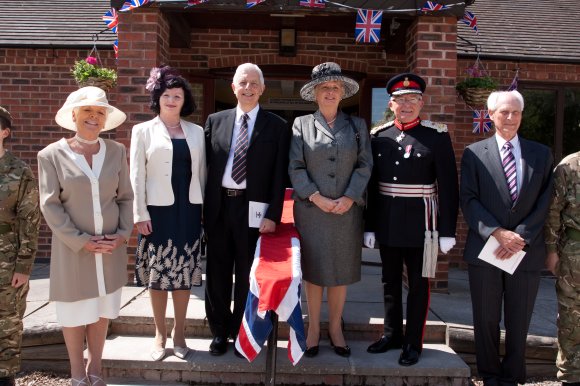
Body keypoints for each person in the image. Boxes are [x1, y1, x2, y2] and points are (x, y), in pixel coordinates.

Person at [38, 87, 133, 386]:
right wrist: (81, 240)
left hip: (109, 248)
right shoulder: (50, 155)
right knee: (74, 312)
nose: (94, 117)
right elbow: (49, 205)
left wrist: (121, 235)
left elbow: (126, 198)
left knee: (102, 310)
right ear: (74, 115)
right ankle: (77, 373)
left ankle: (96, 369)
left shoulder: (117, 152)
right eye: (88, 111)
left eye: (100, 112)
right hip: (73, 249)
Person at [364, 73, 458, 366]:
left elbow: (449, 186)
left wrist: (447, 230)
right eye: (400, 100)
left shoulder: (437, 136)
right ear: (391, 104)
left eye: (412, 100)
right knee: (388, 280)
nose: (406, 105)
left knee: (419, 284)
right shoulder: (379, 136)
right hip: (388, 220)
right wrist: (369, 226)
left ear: (421, 103)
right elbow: (371, 185)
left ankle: (412, 342)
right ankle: (391, 334)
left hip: (423, 224)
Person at [460, 90, 553, 386]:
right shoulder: (474, 154)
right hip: (486, 249)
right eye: (503, 112)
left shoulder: (541, 154)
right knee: (486, 320)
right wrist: (498, 234)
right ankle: (489, 375)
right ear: (490, 115)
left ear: (521, 115)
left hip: (525, 251)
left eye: (515, 112)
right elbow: (469, 200)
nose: (510, 118)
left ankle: (513, 377)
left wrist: (519, 237)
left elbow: (545, 201)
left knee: (518, 320)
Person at [204, 63, 290, 356]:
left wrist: (272, 215)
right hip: (218, 208)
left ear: (263, 89)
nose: (248, 88)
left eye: (254, 83)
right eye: (243, 82)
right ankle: (218, 332)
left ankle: (242, 333)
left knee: (247, 274)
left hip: (254, 210)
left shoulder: (277, 127)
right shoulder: (215, 121)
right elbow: (203, 169)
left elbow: (280, 176)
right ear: (233, 87)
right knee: (216, 274)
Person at [289, 62, 373, 358]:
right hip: (313, 212)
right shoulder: (301, 125)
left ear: (342, 94)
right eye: (324, 87)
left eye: (335, 88)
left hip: (346, 212)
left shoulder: (357, 126)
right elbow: (295, 166)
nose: (330, 92)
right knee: (314, 272)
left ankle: (336, 328)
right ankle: (312, 330)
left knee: (340, 271)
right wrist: (315, 196)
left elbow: (365, 165)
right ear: (314, 93)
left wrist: (350, 197)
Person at [130, 66, 206, 362]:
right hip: (157, 213)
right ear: (157, 99)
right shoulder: (143, 131)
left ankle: (180, 332)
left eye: (177, 96)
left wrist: (205, 211)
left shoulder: (196, 132)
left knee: (184, 272)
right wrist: (140, 213)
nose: (172, 100)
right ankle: (159, 333)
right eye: (167, 95)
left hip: (188, 211)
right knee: (158, 274)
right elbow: (136, 176)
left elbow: (203, 174)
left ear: (184, 100)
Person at [0, 107, 40, 386]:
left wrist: (24, 265)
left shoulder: (19, 171)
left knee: (7, 322)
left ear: (5, 132)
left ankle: (5, 377)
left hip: (7, 258)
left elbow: (30, 219)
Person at [545, 151, 580, 386]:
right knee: (571, 317)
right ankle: (571, 375)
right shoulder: (569, 165)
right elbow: (553, 211)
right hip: (574, 255)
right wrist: (551, 251)